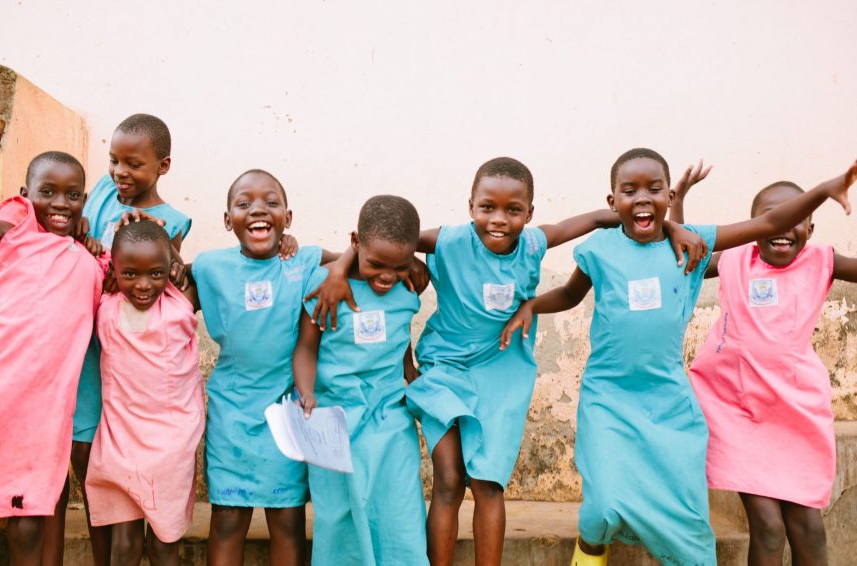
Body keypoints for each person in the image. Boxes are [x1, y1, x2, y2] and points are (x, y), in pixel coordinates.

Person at [315, 156, 702, 566]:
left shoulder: (534, 243)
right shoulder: (447, 241)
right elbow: (379, 243)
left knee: (488, 484)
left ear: (529, 213)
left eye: (513, 210)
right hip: (444, 371)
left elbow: (605, 218)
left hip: (503, 372)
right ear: (470, 207)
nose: (498, 219)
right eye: (487, 208)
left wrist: (673, 225)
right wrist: (340, 266)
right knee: (447, 480)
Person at [500, 148, 857, 565]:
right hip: (608, 395)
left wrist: (823, 190)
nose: (642, 198)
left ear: (668, 196)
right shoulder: (600, 250)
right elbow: (569, 293)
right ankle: (591, 547)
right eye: (629, 190)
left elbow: (769, 223)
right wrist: (531, 305)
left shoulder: (688, 248)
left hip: (669, 400)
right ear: (612, 201)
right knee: (600, 508)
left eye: (654, 189)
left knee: (689, 525)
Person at [673, 178, 857, 566]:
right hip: (734, 409)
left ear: (810, 228)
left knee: (809, 527)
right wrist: (678, 204)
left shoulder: (821, 261)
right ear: (754, 224)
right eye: (769, 219)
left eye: (795, 220)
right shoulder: (734, 259)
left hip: (795, 413)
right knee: (770, 529)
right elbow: (681, 256)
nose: (782, 229)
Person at [54, 113, 193, 566]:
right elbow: (73, 227)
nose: (120, 173)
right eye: (115, 160)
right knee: (81, 456)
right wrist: (81, 235)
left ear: (162, 167)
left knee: (97, 448)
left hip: (120, 355)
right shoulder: (98, 193)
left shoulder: (171, 222)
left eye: (134, 164)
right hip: (79, 335)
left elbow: (168, 282)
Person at [190, 169, 344, 566]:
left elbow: (349, 258)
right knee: (226, 518)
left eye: (271, 203)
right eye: (244, 204)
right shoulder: (209, 267)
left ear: (287, 218)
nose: (258, 210)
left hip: (286, 413)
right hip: (231, 415)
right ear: (228, 221)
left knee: (288, 520)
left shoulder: (303, 260)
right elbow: (164, 272)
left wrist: (342, 270)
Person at [0, 151, 107, 566]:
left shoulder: (89, 261)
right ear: (26, 196)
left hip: (44, 416)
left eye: (73, 194)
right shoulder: (12, 235)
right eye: (48, 192)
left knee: (28, 524)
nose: (61, 203)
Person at [293, 195, 428, 566]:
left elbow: (399, 334)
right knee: (339, 515)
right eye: (377, 264)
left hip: (389, 415)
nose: (387, 275)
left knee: (399, 509)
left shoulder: (410, 283)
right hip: (332, 415)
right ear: (356, 243)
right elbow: (306, 348)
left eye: (400, 265)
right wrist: (305, 392)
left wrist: (410, 370)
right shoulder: (326, 285)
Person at [84, 219, 204, 566]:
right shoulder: (105, 302)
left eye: (156, 273)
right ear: (114, 270)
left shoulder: (182, 303)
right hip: (121, 440)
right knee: (123, 545)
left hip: (171, 444)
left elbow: (186, 268)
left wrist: (171, 257)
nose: (142, 285)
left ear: (171, 270)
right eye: (130, 274)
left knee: (164, 544)